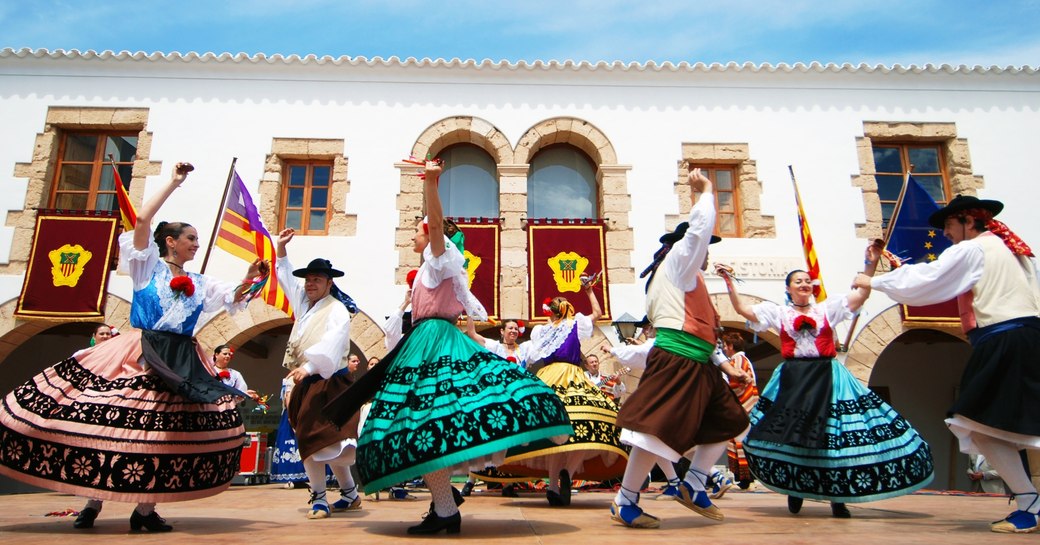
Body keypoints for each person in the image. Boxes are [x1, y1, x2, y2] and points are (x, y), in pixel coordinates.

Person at [0, 162, 261, 531]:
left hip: (180, 357)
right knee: (112, 427)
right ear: (171, 241)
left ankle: (144, 510)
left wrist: (250, 278)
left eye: (198, 241)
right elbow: (141, 222)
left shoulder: (202, 283)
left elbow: (236, 297)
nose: (196, 245)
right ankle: (92, 503)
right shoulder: (146, 266)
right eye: (191, 239)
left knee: (158, 436)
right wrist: (173, 182)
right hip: (139, 352)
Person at [323, 159, 571, 535]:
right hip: (423, 340)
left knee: (425, 420)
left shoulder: (439, 260)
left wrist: (433, 184)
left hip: (435, 341)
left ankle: (445, 509)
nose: (413, 238)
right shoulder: (427, 269)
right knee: (421, 425)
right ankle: (443, 508)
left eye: (417, 232)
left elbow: (437, 223)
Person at [854, 194, 1040, 533]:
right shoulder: (1012, 249)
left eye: (950, 225)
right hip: (1023, 337)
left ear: (969, 221)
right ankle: (1030, 502)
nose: (946, 234)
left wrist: (873, 281)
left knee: (973, 422)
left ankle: (1031, 504)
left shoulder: (974, 249)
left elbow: (931, 280)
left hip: (1004, 338)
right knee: (995, 425)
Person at [723, 244, 934, 519]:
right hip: (795, 378)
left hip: (827, 376)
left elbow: (860, 295)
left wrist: (869, 266)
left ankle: (838, 498)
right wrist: (729, 282)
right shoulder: (779, 313)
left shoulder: (827, 309)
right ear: (788, 288)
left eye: (807, 281)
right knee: (794, 434)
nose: (804, 284)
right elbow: (742, 309)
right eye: (798, 281)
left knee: (833, 436)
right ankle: (794, 489)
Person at [609, 168, 751, 529]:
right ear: (683, 246)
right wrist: (704, 192)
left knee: (731, 421)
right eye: (702, 248)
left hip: (698, 362)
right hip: (678, 360)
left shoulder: (688, 276)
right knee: (654, 432)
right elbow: (699, 229)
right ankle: (626, 500)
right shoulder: (678, 265)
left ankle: (694, 482)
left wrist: (721, 362)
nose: (705, 252)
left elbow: (702, 328)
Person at [492, 288, 628, 508]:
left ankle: (554, 485)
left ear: (551, 312)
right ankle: (567, 472)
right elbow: (597, 313)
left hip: (548, 378)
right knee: (587, 422)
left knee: (555, 431)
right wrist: (590, 291)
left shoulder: (543, 331)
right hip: (572, 376)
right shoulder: (573, 325)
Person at [275, 228, 362, 520]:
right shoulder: (305, 305)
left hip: (329, 382)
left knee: (318, 441)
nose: (310, 284)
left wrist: (309, 366)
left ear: (329, 282)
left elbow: (334, 342)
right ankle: (349, 494)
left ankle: (320, 499)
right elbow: (287, 279)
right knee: (322, 443)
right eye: (308, 279)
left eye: (316, 279)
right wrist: (282, 250)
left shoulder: (336, 310)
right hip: (307, 382)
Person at [461, 317, 535, 498]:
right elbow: (472, 334)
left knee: (511, 443)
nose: (513, 331)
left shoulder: (524, 350)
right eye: (510, 328)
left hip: (516, 401)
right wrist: (470, 315)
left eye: (516, 329)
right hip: (496, 400)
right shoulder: (495, 347)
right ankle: (470, 481)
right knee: (487, 440)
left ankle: (508, 483)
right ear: (502, 331)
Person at [720, 332, 757, 492]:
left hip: (743, 406)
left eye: (725, 345)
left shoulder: (738, 360)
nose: (724, 349)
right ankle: (745, 477)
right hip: (744, 406)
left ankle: (745, 478)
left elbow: (738, 383)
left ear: (731, 346)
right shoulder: (740, 359)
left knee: (740, 442)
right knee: (740, 441)